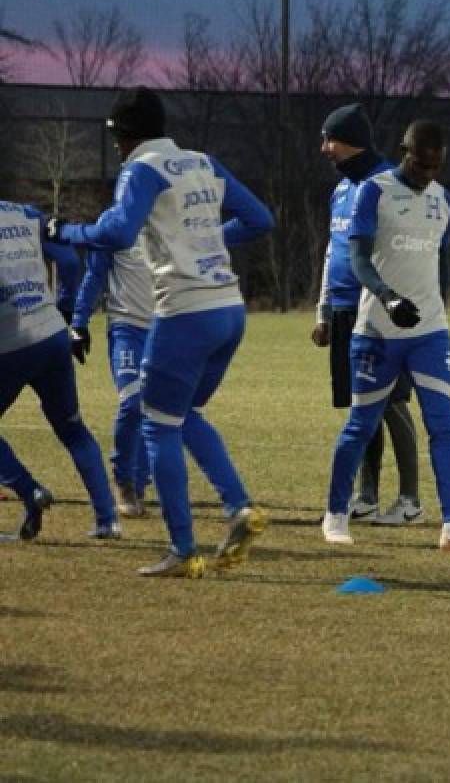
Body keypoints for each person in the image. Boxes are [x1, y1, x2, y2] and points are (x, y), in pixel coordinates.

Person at [50, 86, 274, 577]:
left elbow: (116, 234)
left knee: (156, 423)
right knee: (184, 413)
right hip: (229, 309)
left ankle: (183, 549)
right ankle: (239, 507)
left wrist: (63, 231)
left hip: (186, 311)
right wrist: (209, 240)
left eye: (114, 138)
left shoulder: (141, 168)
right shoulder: (202, 161)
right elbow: (260, 219)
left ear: (122, 136)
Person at [322, 119, 450, 551]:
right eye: (420, 165)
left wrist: (439, 307)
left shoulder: (443, 200)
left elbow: (442, 263)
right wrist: (387, 297)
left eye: (435, 168)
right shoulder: (373, 192)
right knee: (361, 424)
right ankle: (336, 515)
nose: (426, 175)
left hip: (430, 333)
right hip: (377, 331)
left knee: (444, 425)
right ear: (405, 152)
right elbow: (357, 259)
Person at [312, 103, 422, 529]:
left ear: (351, 140)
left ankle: (410, 500)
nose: (324, 148)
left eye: (330, 139)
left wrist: (397, 301)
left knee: (392, 402)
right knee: (361, 405)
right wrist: (323, 308)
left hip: (379, 310)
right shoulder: (341, 190)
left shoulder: (389, 186)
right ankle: (367, 497)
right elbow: (331, 250)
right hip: (342, 311)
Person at [1, 199, 118, 540]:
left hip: (8, 342)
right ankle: (107, 520)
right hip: (51, 333)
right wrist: (65, 308)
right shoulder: (25, 213)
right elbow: (68, 260)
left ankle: (29, 490)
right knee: (73, 429)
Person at [69, 237, 154, 519]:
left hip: (166, 329)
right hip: (126, 329)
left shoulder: (170, 217)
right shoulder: (116, 225)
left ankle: (140, 482)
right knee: (133, 401)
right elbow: (94, 275)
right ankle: (123, 480)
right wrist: (79, 322)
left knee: (157, 407)